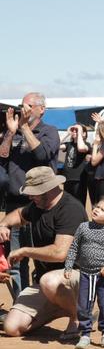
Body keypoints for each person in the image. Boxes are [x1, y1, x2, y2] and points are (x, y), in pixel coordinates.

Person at [0, 166, 87, 338]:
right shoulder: (37, 206)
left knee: (50, 281)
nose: (30, 196)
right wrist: (3, 224)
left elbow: (60, 253)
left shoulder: (70, 209)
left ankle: (79, 318)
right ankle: (61, 306)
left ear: (48, 189)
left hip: (76, 277)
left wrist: (25, 251)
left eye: (34, 192)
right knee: (12, 327)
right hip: (47, 283)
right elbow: (18, 214)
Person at [0, 92, 60, 294]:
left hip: (41, 205)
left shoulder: (49, 131)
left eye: (28, 106)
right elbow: (2, 157)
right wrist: (10, 132)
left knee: (44, 259)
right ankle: (21, 305)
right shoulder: (15, 132)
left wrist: (24, 128)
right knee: (16, 260)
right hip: (14, 203)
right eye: (21, 106)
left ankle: (46, 304)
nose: (23, 110)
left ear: (41, 109)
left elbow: (42, 155)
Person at [63, 196, 104, 349]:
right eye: (97, 206)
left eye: (102, 210)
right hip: (86, 275)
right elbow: (74, 247)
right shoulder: (83, 227)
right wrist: (68, 266)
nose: (96, 209)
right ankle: (85, 334)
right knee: (84, 305)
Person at [60, 124, 90, 205]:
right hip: (67, 178)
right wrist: (67, 134)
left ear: (84, 133)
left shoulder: (87, 144)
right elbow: (55, 146)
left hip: (79, 179)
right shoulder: (68, 144)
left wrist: (79, 132)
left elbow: (81, 148)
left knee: (79, 203)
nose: (74, 132)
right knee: (67, 203)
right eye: (73, 130)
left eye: (76, 130)